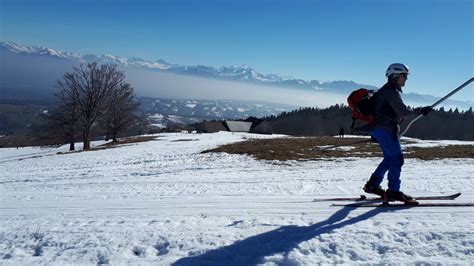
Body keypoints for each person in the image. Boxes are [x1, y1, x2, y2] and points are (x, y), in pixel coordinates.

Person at [362, 63, 432, 205]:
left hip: (380, 128)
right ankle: (393, 191)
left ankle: (372, 185)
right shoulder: (391, 92)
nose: (406, 79)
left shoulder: (388, 90)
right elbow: (403, 112)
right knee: (397, 159)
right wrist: (421, 110)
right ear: (395, 76)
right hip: (385, 129)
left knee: (389, 158)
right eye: (404, 76)